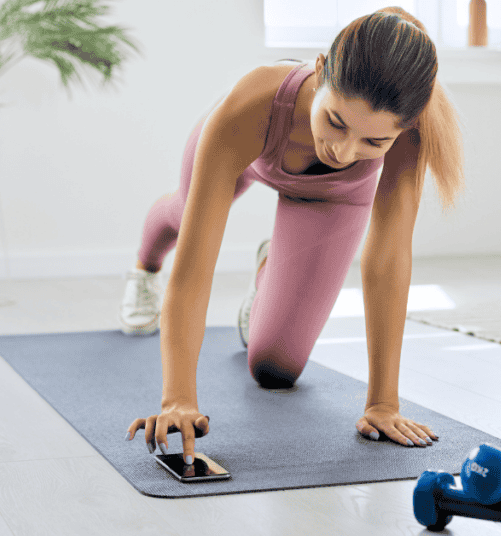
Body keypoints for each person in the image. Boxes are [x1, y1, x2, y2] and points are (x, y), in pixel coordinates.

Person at [123, 7, 464, 465]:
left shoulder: (410, 131)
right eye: (336, 121)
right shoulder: (253, 103)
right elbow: (197, 267)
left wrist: (383, 403)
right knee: (190, 220)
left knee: (274, 369)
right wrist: (177, 400)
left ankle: (270, 271)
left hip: (330, 199)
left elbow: (387, 257)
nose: (343, 152)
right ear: (321, 69)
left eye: (372, 144)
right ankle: (145, 265)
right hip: (250, 153)